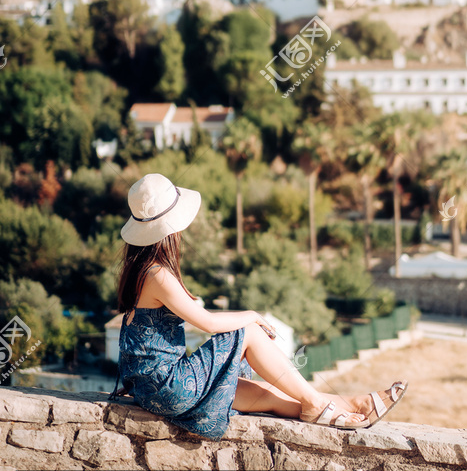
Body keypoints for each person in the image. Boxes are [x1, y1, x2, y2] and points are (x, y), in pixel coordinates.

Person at [109, 173, 407, 439]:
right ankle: (319, 402)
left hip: (153, 388)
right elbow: (207, 323)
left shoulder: (140, 270)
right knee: (248, 331)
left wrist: (137, 381)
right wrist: (252, 315)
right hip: (168, 386)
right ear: (171, 229)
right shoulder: (157, 274)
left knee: (271, 396)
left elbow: (138, 342)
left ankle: (355, 404)